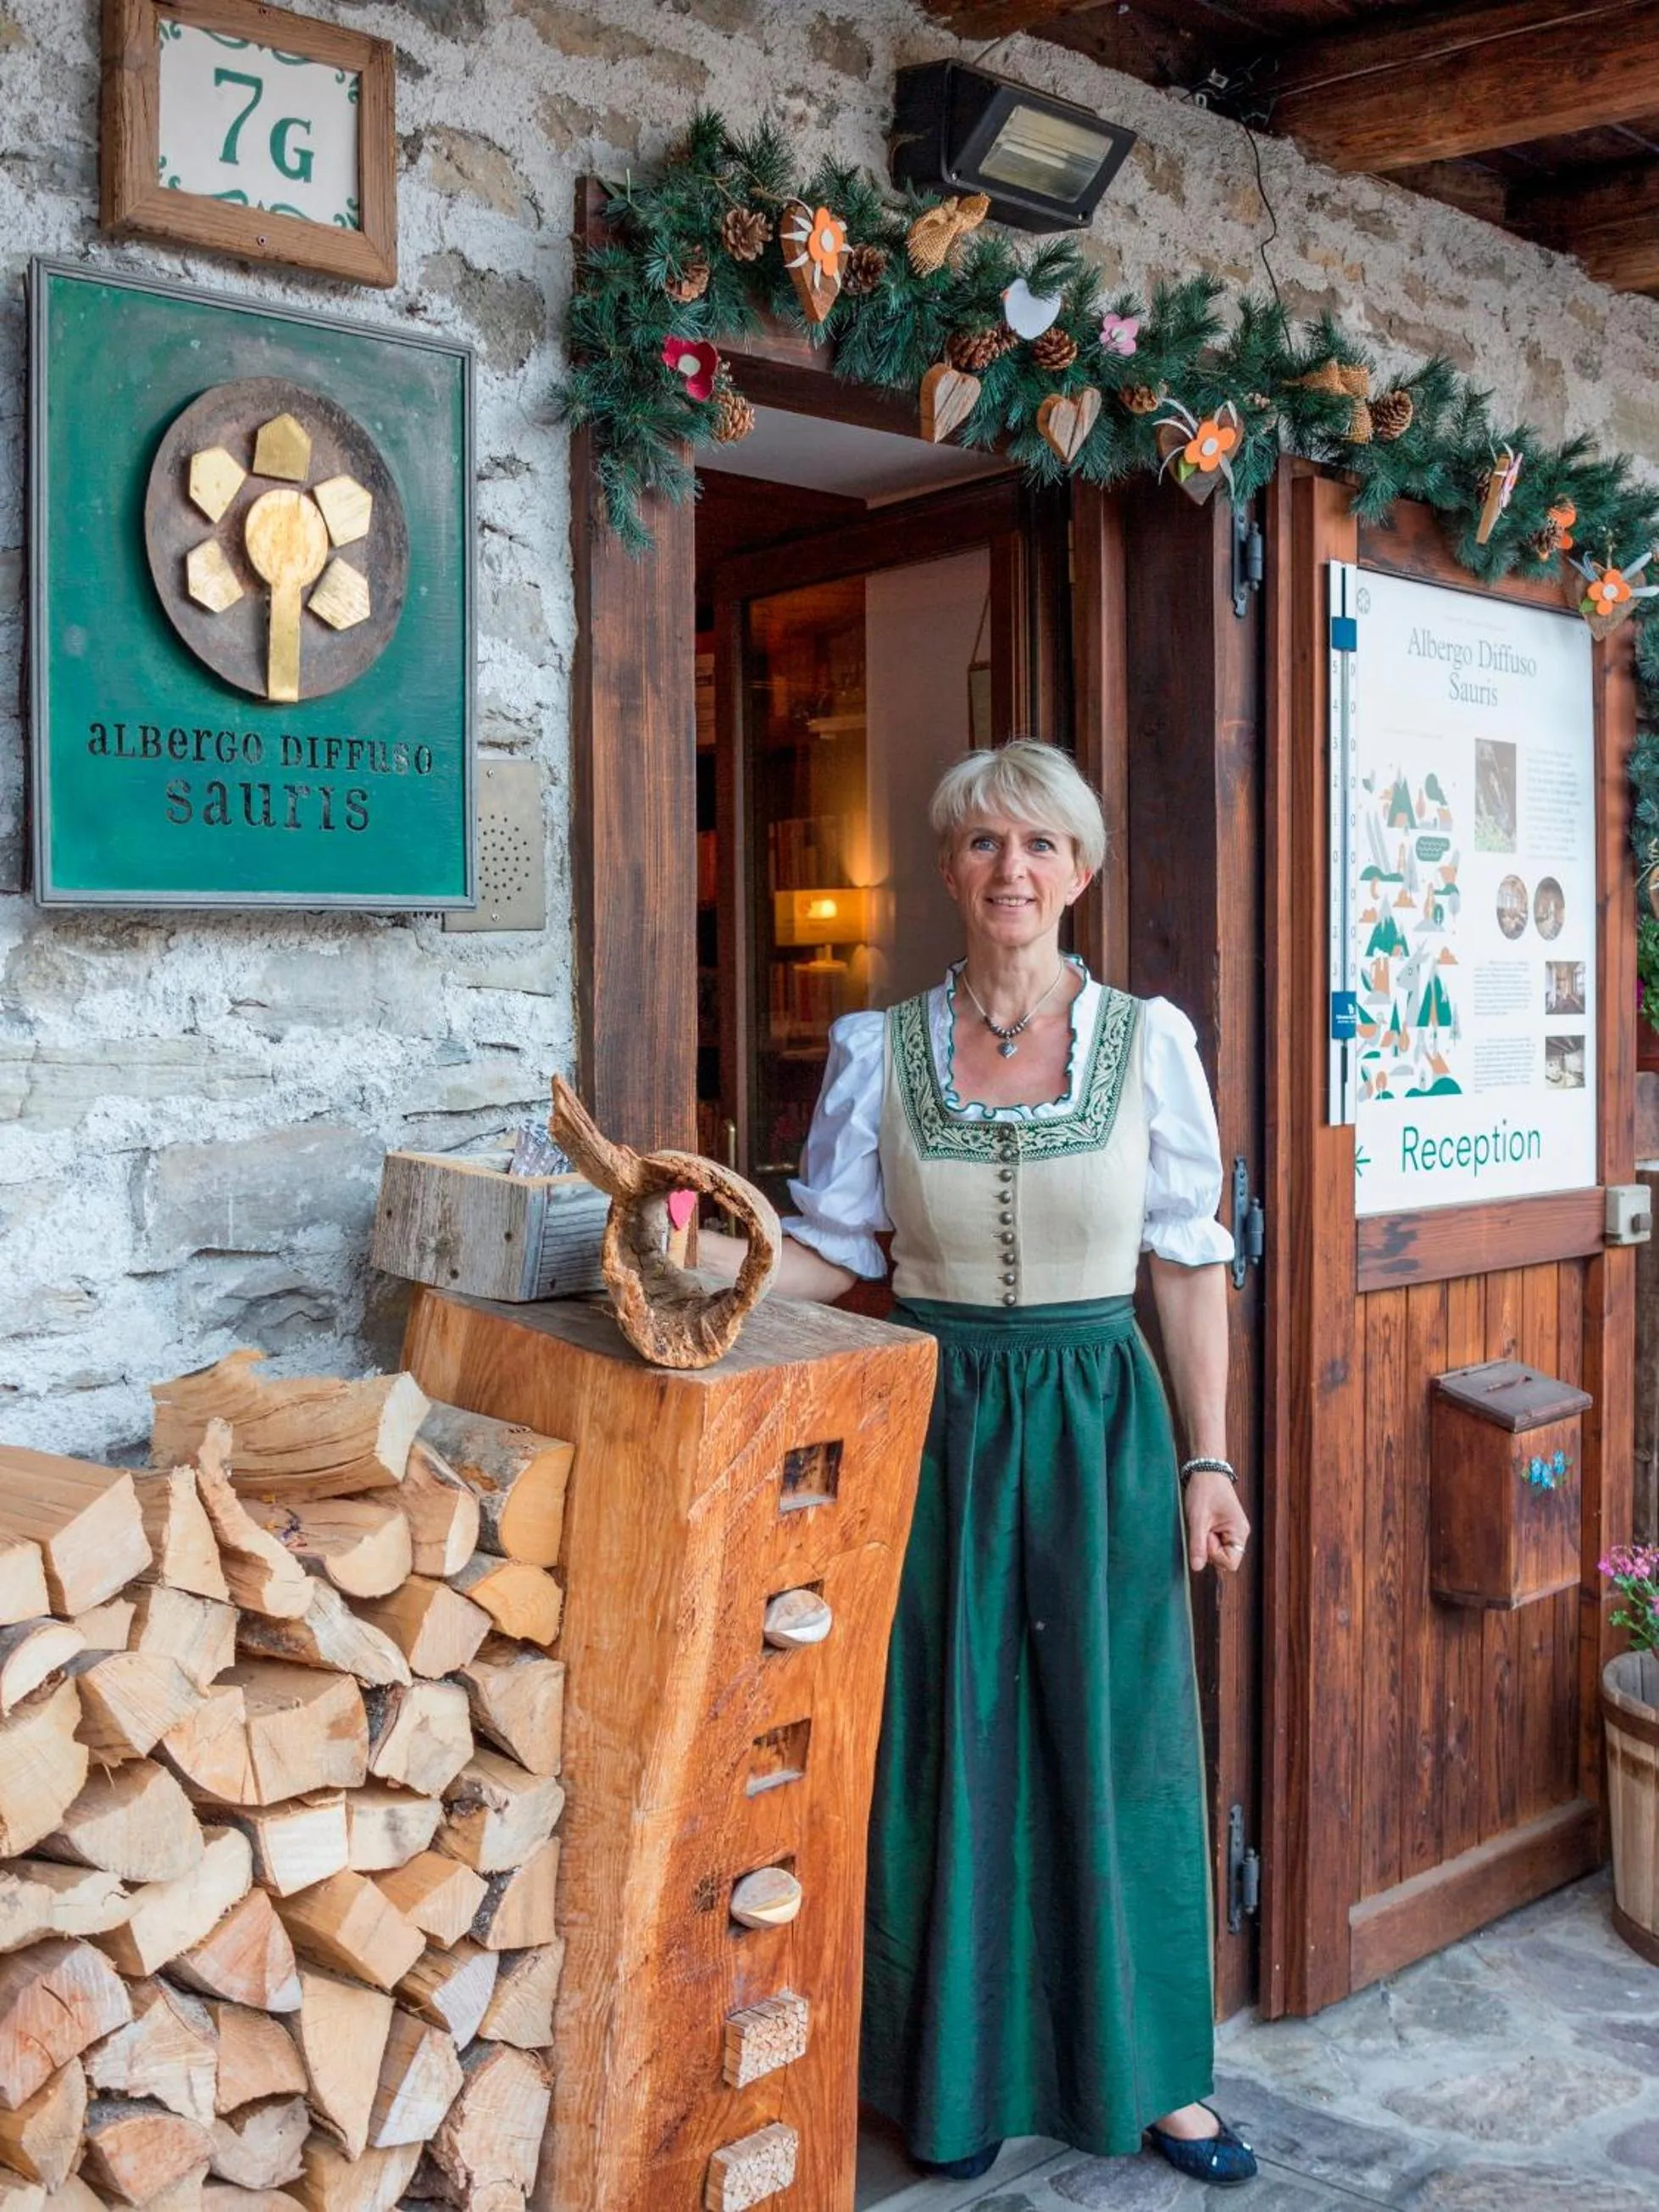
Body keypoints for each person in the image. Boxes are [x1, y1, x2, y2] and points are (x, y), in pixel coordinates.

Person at [702, 740, 1256, 2187]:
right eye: (982, 843)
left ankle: (1152, 2077)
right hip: (936, 1416)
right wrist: (710, 1271)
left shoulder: (1151, 1041)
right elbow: (834, 1251)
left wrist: (1207, 1460)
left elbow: (1189, 1262)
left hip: (1097, 1417)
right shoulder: (878, 1048)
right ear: (949, 867)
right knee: (938, 1737)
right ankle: (938, 2078)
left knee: (1113, 1737)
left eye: (1040, 845)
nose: (1011, 870)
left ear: (1080, 871)